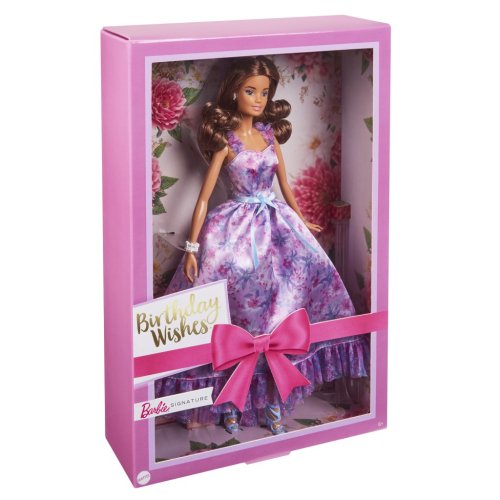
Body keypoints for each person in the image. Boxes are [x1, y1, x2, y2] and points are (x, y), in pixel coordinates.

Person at [155, 55, 368, 435]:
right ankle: (230, 402)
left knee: (283, 306)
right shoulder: (227, 142)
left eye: (264, 93)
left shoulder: (268, 136)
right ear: (234, 92)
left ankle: (272, 400)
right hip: (234, 230)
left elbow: (285, 185)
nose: (257, 99)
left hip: (277, 225)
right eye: (250, 91)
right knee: (234, 314)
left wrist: (302, 220)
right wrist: (191, 248)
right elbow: (203, 197)